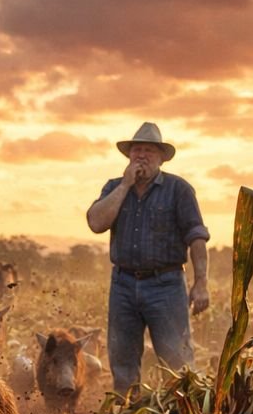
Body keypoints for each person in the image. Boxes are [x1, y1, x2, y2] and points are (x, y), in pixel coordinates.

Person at [85, 122, 210, 393]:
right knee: (122, 360)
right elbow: (96, 222)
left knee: (176, 360)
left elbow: (196, 236)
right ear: (128, 156)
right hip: (124, 284)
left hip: (166, 285)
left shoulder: (179, 190)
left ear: (161, 158)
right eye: (137, 150)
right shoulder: (114, 187)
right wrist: (126, 185)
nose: (141, 155)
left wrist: (201, 282)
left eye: (149, 151)